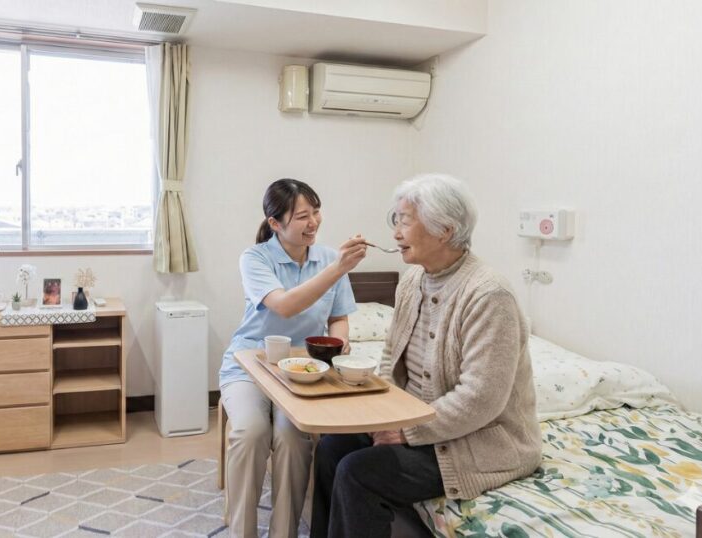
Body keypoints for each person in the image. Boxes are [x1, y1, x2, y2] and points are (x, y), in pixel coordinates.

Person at [311, 174, 542, 538]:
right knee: (331, 447)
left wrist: (406, 431)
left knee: (358, 472)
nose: (395, 233)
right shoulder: (411, 280)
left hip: (476, 441)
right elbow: (391, 359)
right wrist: (381, 417)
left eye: (405, 221)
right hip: (419, 423)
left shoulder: (489, 295)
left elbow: (481, 398)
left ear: (444, 230)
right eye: (396, 220)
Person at [219, 178, 368, 538]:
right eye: (302, 216)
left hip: (305, 368)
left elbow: (339, 317)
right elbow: (284, 306)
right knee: (250, 432)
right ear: (275, 223)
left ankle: (283, 532)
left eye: (316, 212)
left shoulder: (329, 259)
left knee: (291, 438)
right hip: (250, 361)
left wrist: (339, 341)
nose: (313, 222)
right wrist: (338, 269)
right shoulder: (255, 258)